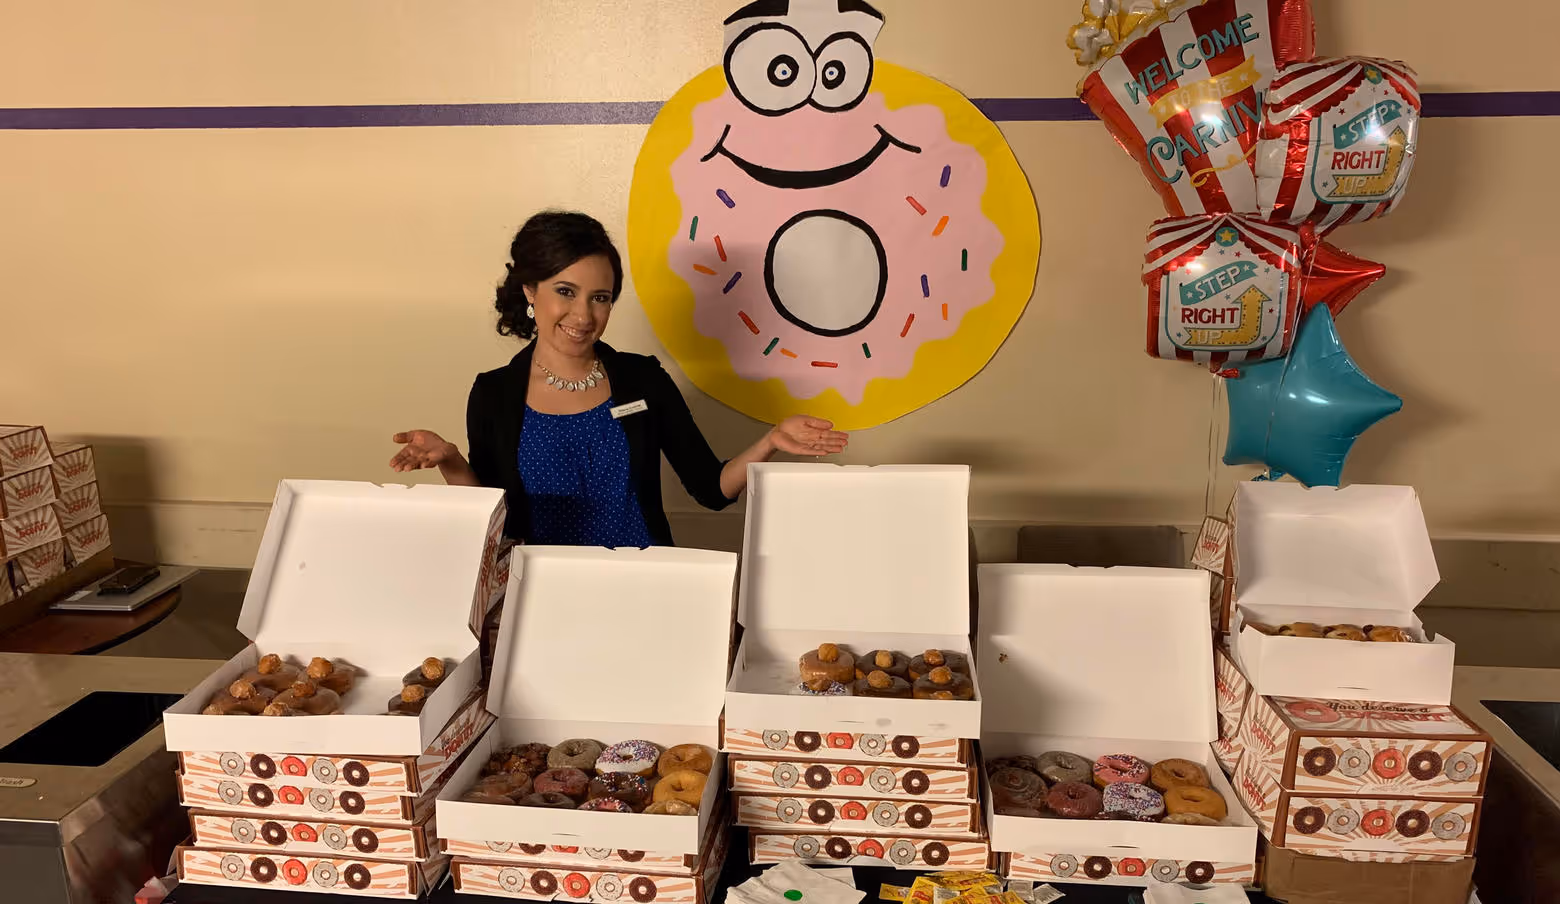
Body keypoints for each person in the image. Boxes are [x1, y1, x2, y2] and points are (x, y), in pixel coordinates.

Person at [390, 211, 848, 547]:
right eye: (565, 292)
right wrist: (451, 460)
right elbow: (492, 521)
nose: (583, 315)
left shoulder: (643, 380)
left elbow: (710, 488)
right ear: (530, 291)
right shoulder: (493, 393)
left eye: (600, 298)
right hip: (538, 598)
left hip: (645, 588)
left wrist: (768, 442)